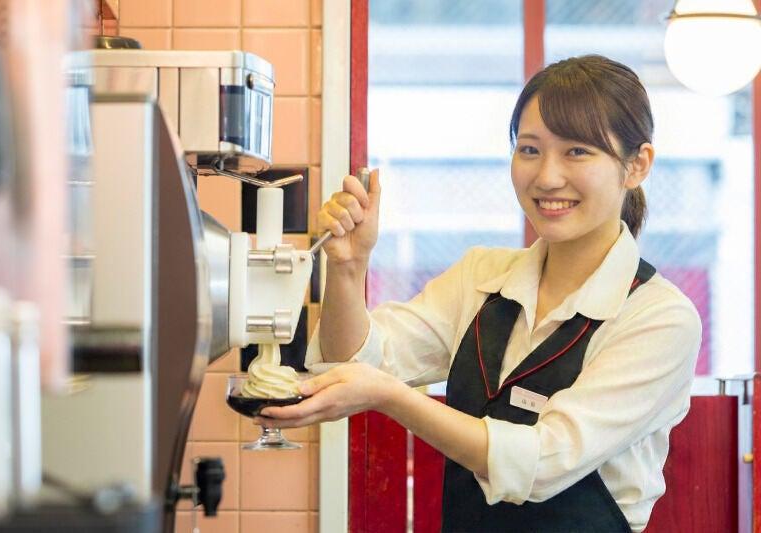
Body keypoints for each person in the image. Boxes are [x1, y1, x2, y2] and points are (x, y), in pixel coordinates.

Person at [258, 55, 702, 533]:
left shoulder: (660, 318)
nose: (547, 177)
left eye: (577, 152)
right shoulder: (482, 277)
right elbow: (358, 362)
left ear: (637, 165)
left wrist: (391, 399)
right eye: (529, 150)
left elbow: (542, 461)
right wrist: (347, 268)